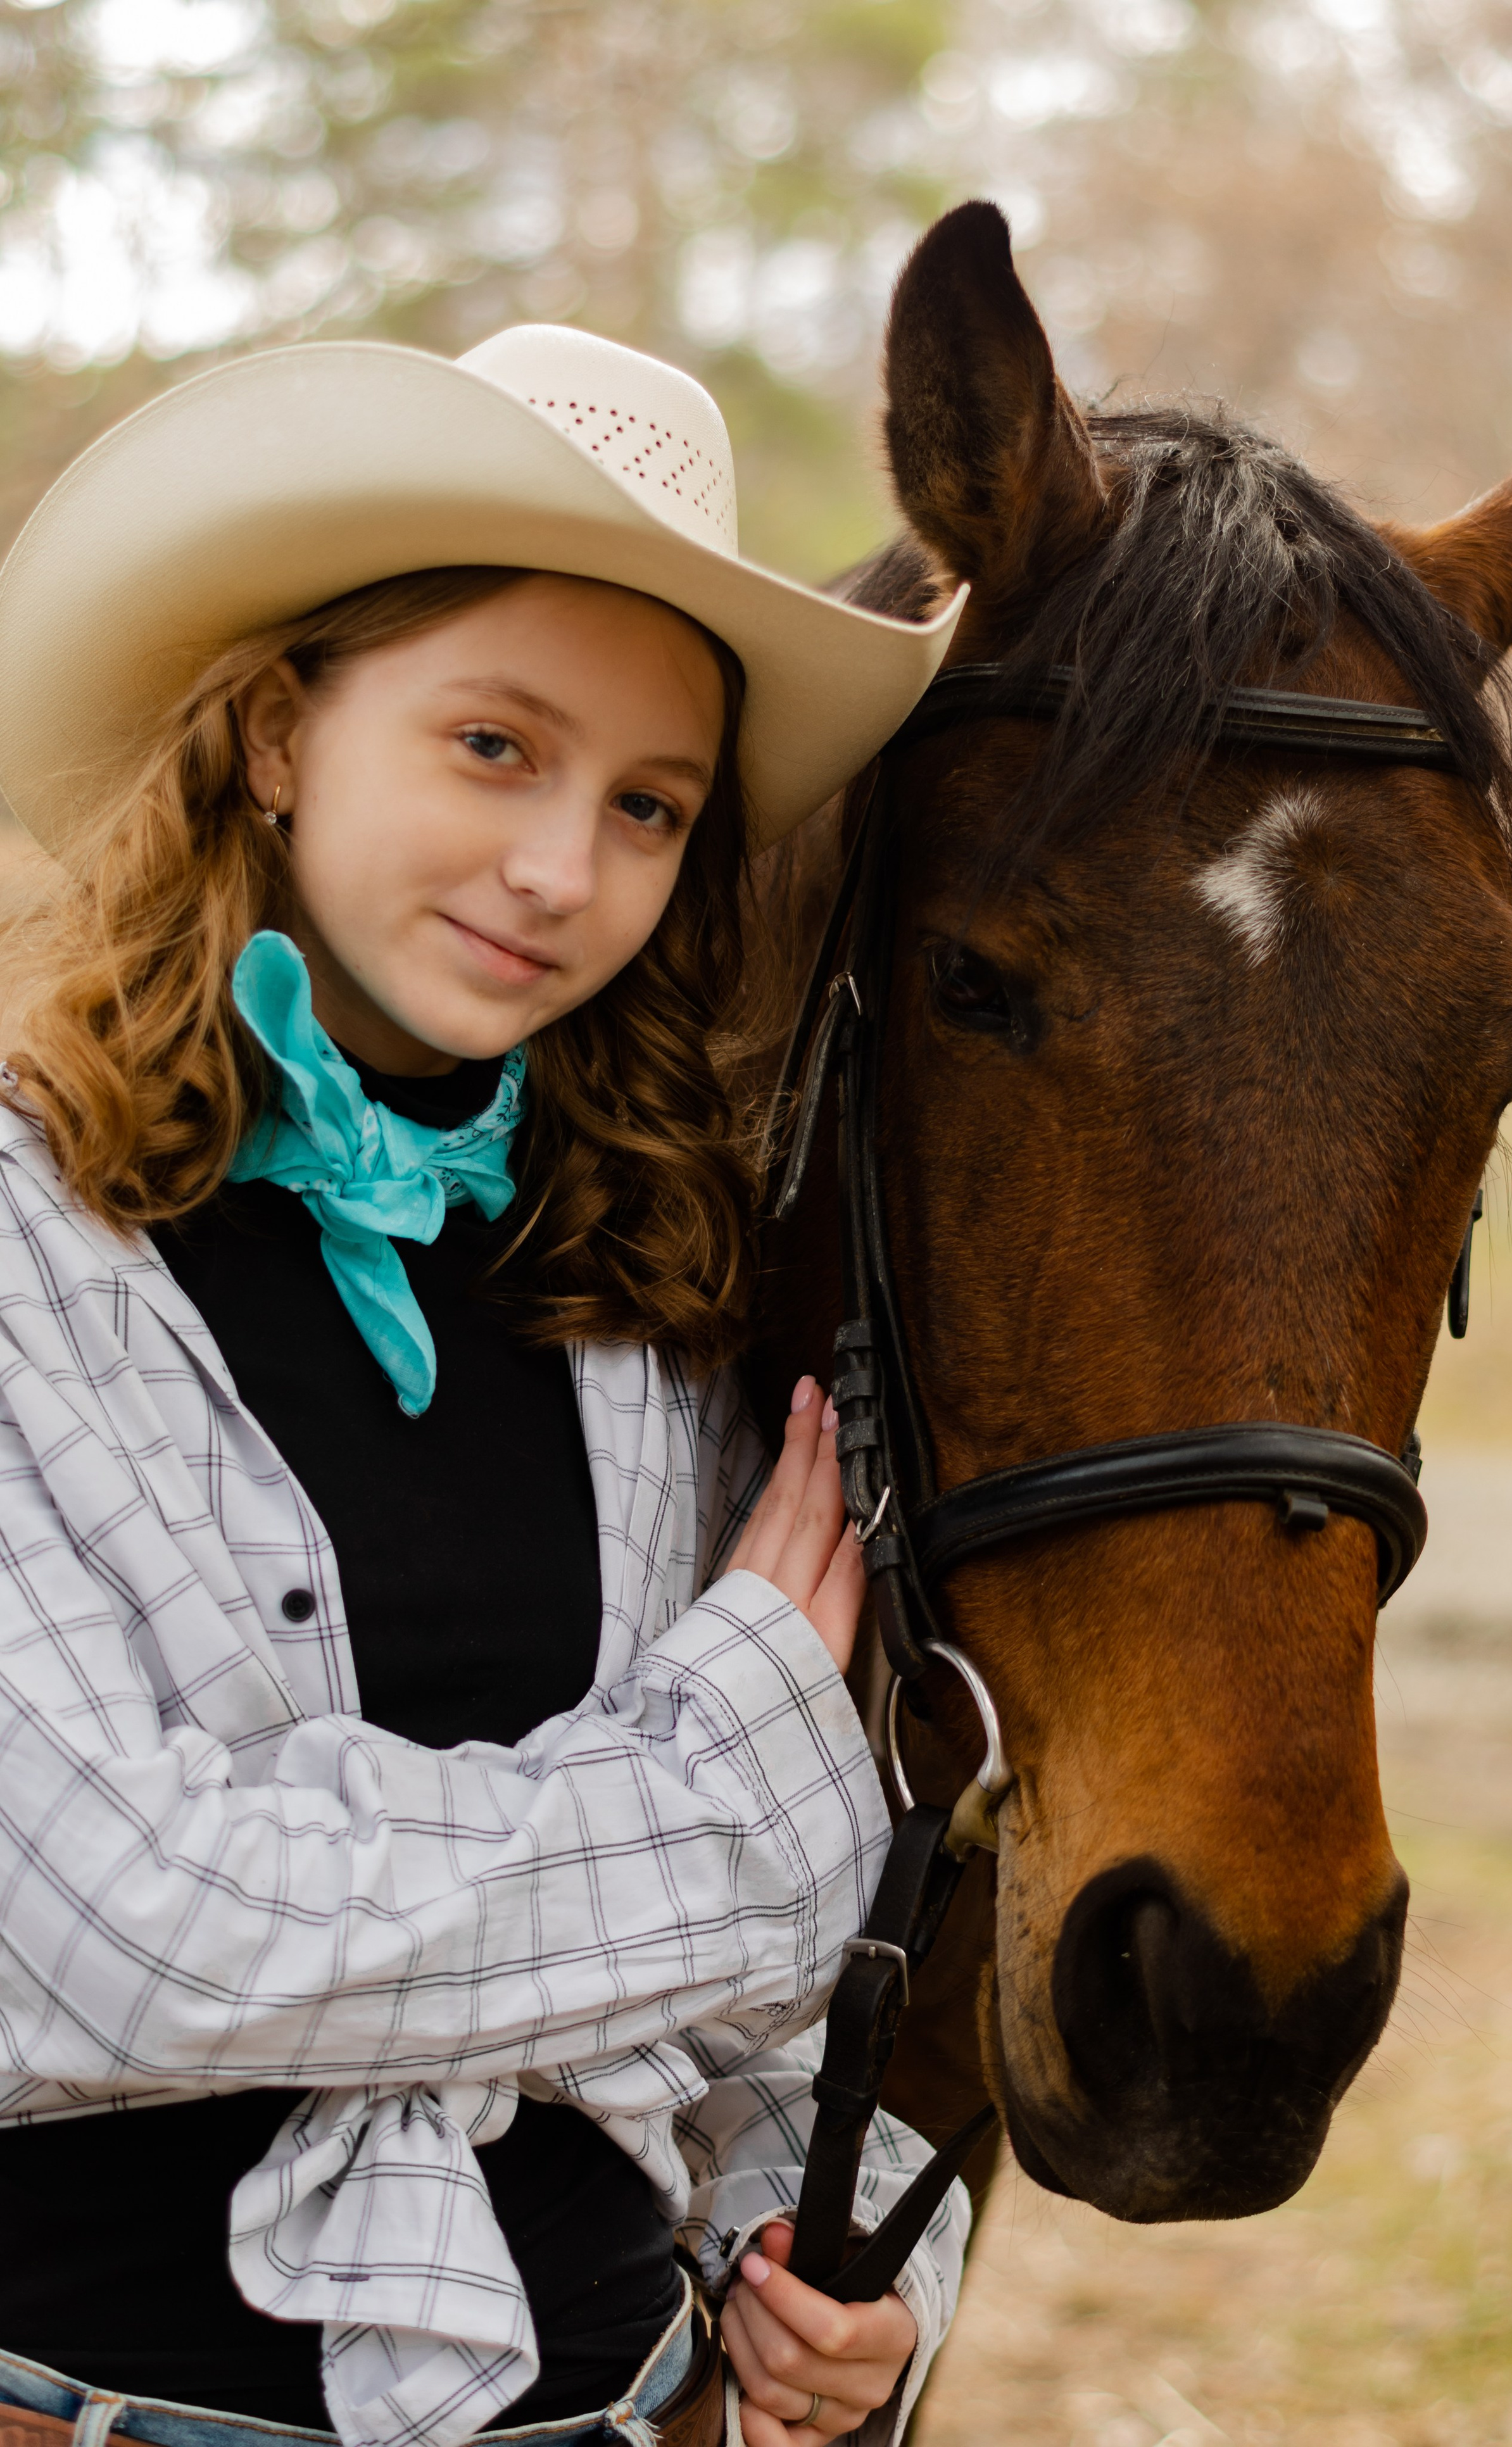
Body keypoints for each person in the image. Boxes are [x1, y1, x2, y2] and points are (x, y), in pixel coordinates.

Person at [0, 324, 967, 2447]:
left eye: (649, 805)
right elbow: (108, 1939)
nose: (564, 871)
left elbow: (799, 1994)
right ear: (274, 731)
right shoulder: (26, 1241)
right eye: (494, 747)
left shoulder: (649, 1286)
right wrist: (724, 1775)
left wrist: (818, 2261)